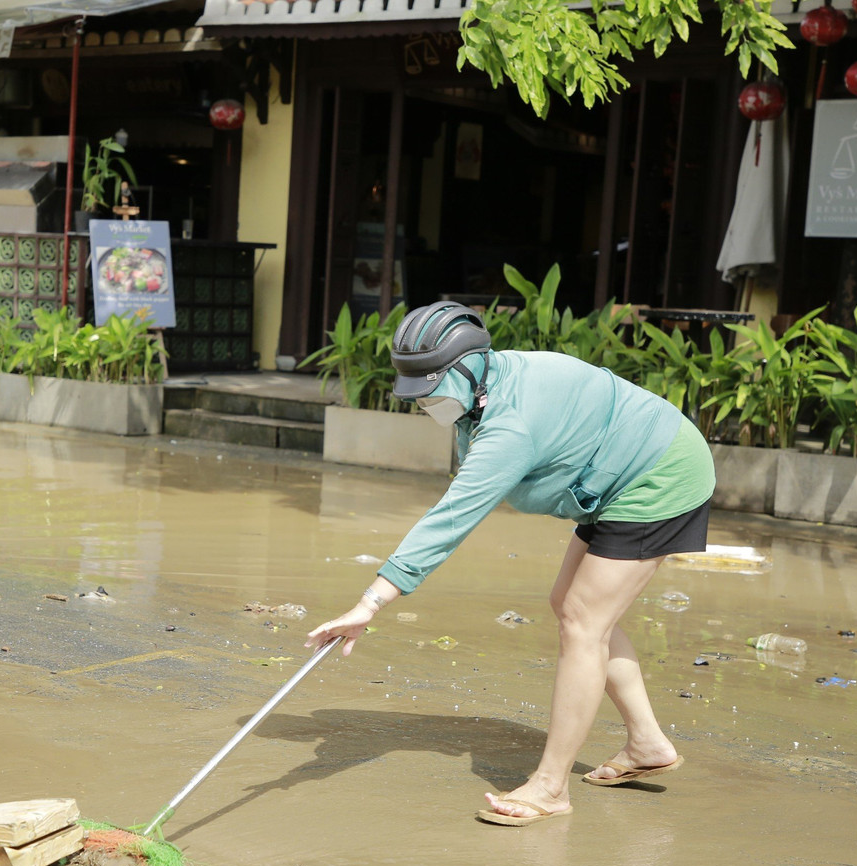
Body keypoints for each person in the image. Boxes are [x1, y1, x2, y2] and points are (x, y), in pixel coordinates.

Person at [305, 301, 716, 827]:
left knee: (583, 622)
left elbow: (451, 517)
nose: (423, 402)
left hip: (658, 474)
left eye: (430, 389)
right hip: (620, 471)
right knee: (569, 606)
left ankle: (550, 788)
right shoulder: (487, 390)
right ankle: (647, 743)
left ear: (467, 369)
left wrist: (370, 602)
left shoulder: (510, 425)